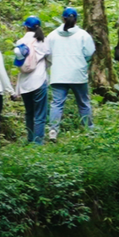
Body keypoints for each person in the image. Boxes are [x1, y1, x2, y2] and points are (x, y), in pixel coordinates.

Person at [45, 8, 96, 141]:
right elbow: (89, 53)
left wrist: (55, 62)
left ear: (63, 19)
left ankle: (53, 130)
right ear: (77, 19)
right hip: (78, 74)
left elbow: (47, 53)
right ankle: (88, 130)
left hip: (58, 74)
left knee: (57, 104)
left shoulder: (52, 35)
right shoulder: (83, 35)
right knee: (83, 103)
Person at [13, 16, 51, 145]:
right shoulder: (43, 42)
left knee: (29, 112)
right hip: (39, 81)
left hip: (25, 83)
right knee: (40, 114)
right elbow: (50, 59)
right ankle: (38, 142)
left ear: (25, 27)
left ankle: (30, 138)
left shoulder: (20, 42)